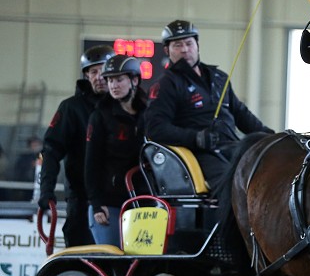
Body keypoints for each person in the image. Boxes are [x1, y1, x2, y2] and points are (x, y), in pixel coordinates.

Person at [145, 20, 273, 192]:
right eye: (178, 45)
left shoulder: (219, 77)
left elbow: (242, 115)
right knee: (233, 188)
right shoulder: (166, 84)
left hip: (233, 148)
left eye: (189, 43)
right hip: (199, 154)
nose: (185, 49)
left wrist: (272, 136)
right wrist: (196, 138)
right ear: (167, 50)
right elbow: (156, 128)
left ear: (197, 45)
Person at [39, 45, 115, 246]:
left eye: (104, 69)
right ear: (86, 76)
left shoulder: (127, 107)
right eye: (93, 71)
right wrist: (46, 190)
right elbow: (51, 151)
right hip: (82, 201)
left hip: (119, 201)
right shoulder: (71, 109)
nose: (99, 76)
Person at [85, 55, 148, 247]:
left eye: (119, 79)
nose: (113, 85)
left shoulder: (149, 113)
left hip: (142, 202)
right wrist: (96, 203)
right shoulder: (100, 116)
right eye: (110, 80)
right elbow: (91, 163)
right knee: (113, 262)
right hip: (109, 203)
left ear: (134, 80)